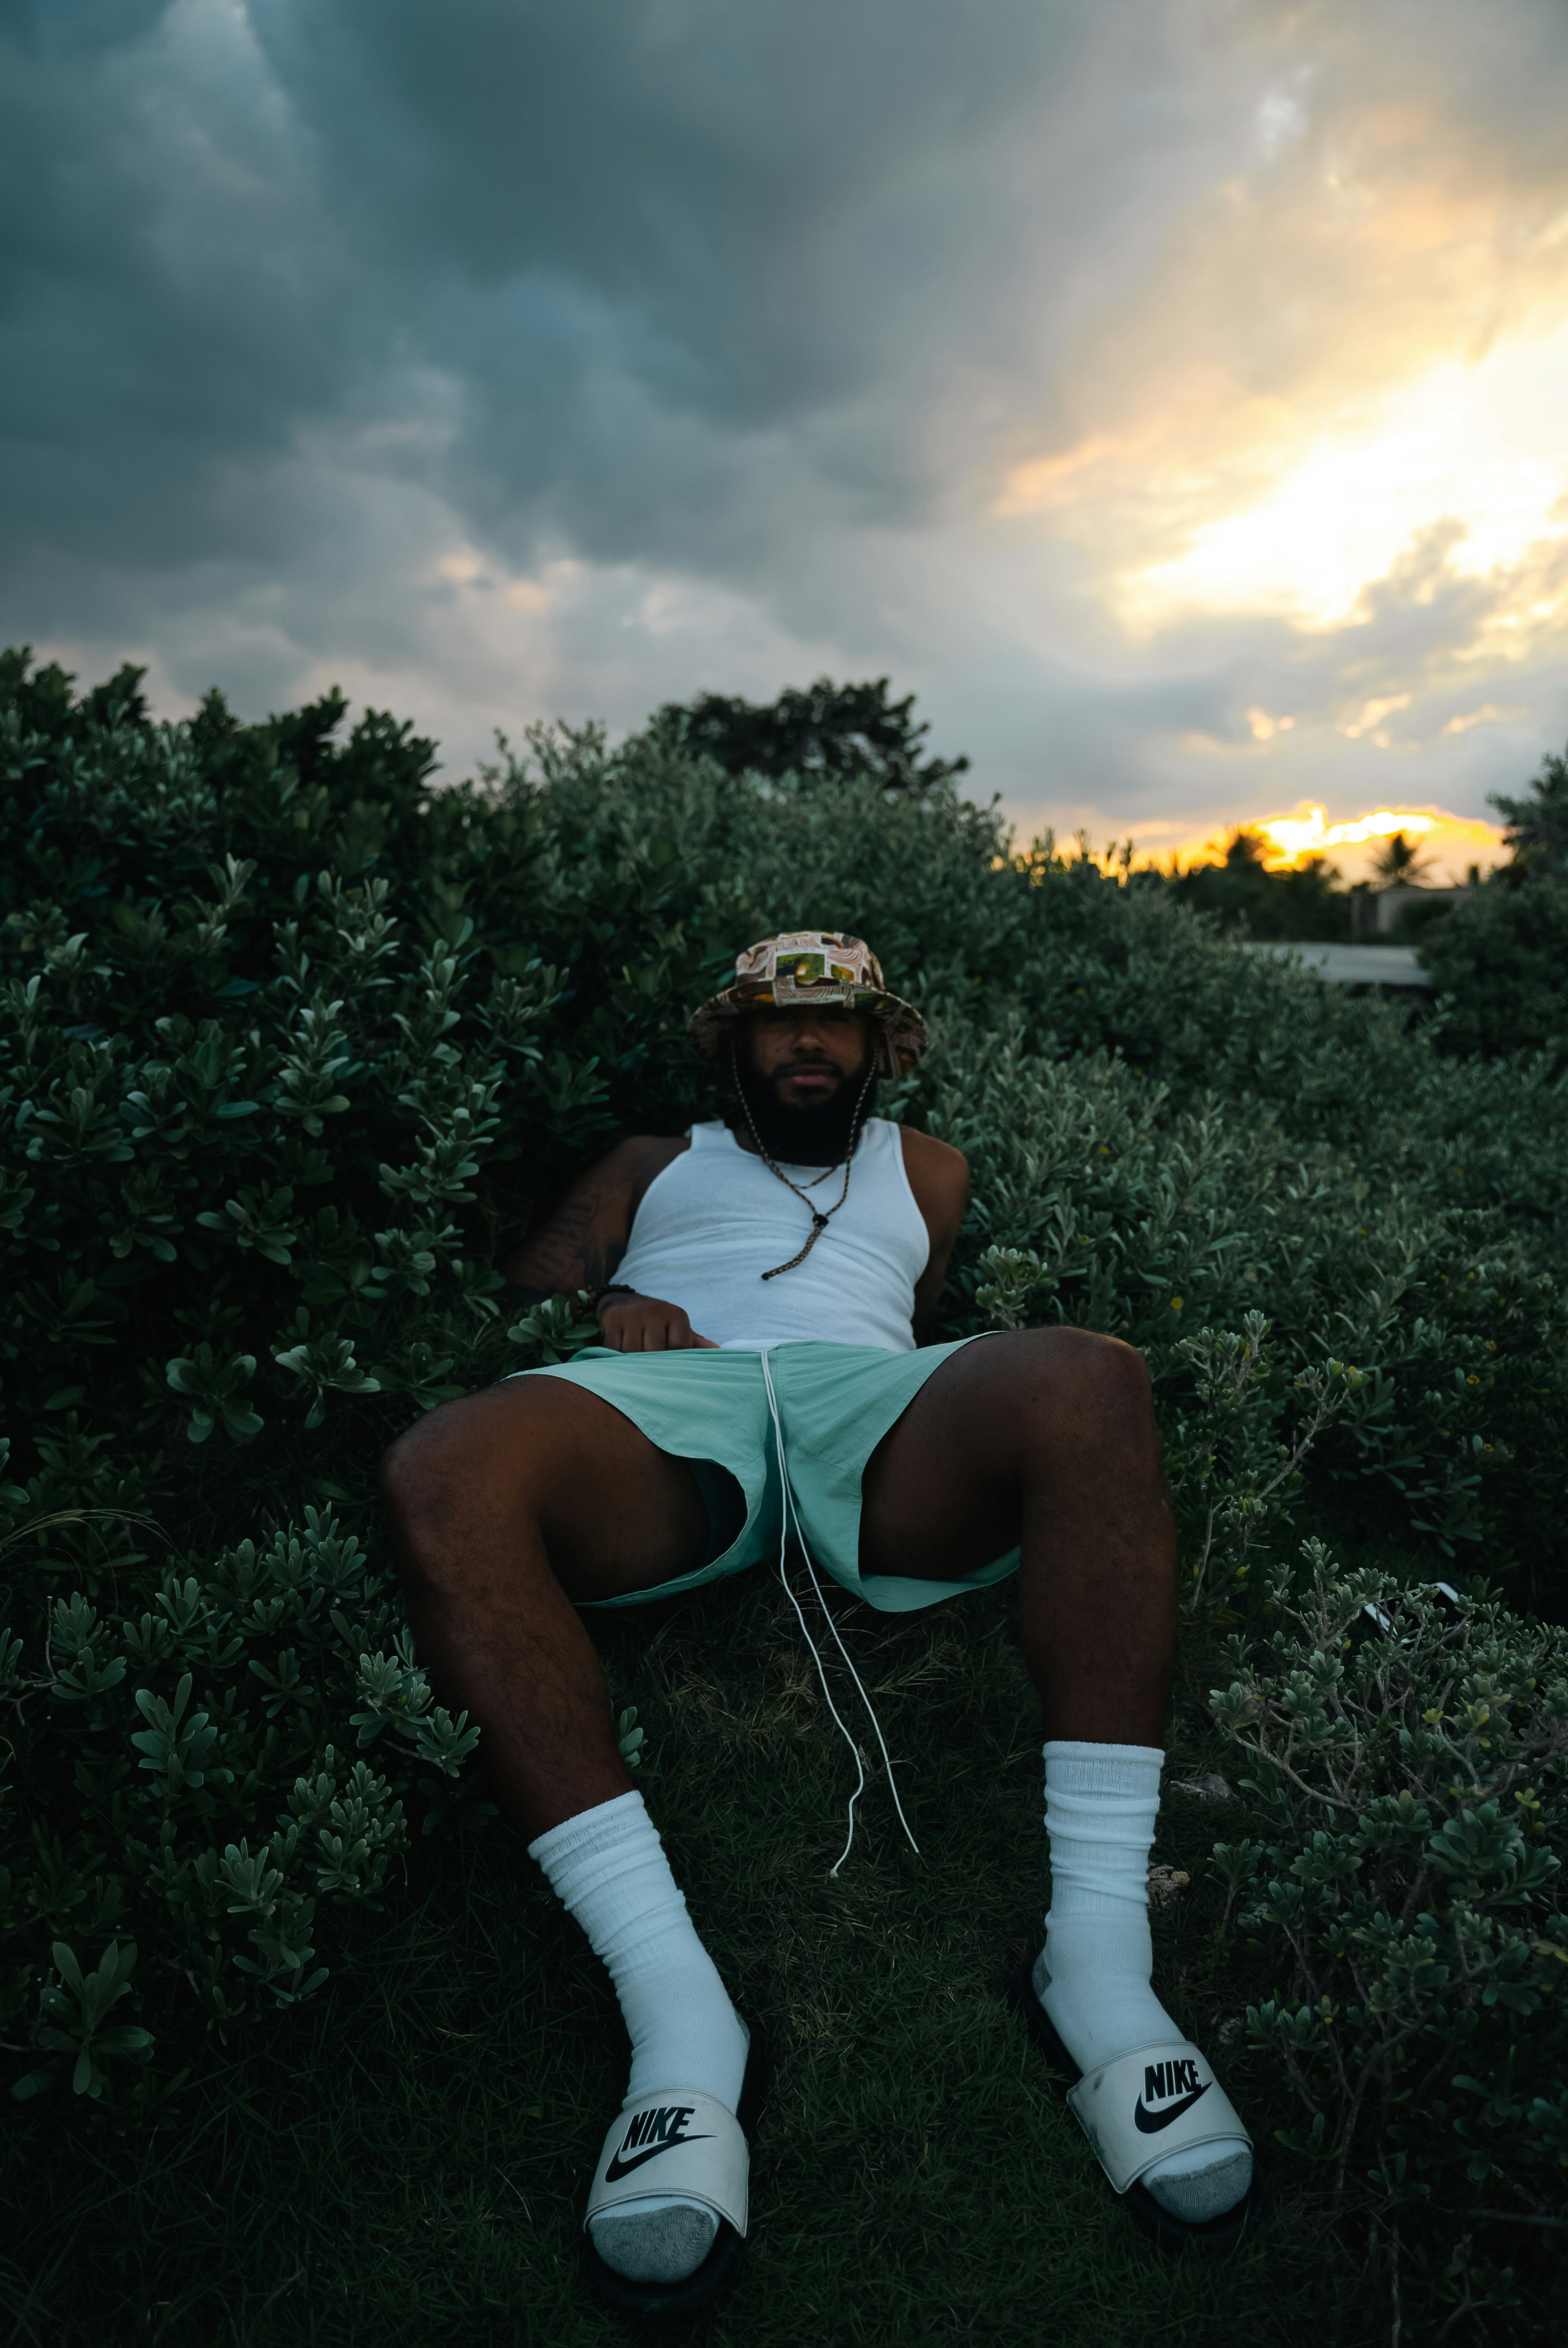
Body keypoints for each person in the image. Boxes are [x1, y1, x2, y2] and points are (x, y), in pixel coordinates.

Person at [380, 930, 1256, 2316]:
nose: (808, 1043)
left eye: (835, 1024)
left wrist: (903, 1391)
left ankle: (1099, 1963)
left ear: (877, 1046)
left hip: (869, 1398)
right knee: (441, 1464)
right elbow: (527, 1290)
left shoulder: (933, 1168)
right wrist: (608, 1296)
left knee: (1093, 1378)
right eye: (778, 1025)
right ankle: (681, 2015)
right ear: (732, 1046)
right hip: (668, 1403)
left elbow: (909, 1309)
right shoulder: (646, 1161)